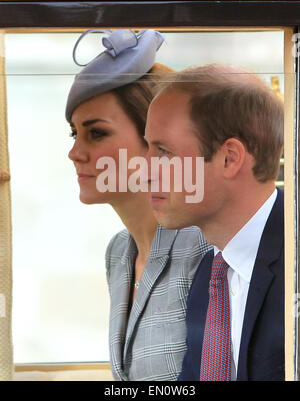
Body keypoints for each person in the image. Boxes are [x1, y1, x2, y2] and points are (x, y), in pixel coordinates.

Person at [66, 29, 210, 381]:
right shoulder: (118, 253)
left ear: (156, 141)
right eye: (74, 134)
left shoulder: (208, 246)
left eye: (96, 133)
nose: (74, 153)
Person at [145, 64, 284, 381]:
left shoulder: (292, 268)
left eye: (164, 152)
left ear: (229, 158)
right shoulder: (211, 271)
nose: (145, 172)